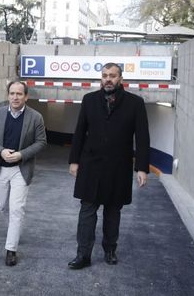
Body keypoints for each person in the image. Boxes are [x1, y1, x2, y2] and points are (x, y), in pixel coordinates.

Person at [67, 62, 150, 269]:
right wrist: (74, 161)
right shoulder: (89, 100)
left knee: (113, 211)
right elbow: (79, 133)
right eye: (105, 75)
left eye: (112, 76)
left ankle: (110, 249)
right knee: (87, 210)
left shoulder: (135, 103)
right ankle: (83, 254)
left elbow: (142, 137)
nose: (108, 79)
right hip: (91, 165)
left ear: (121, 79)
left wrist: (141, 167)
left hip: (118, 167)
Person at [0, 80, 47, 266]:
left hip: (21, 169)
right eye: (12, 93)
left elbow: (41, 141)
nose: (15, 97)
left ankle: (11, 249)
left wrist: (21, 155)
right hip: (1, 168)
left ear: (26, 96)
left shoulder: (36, 117)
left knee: (17, 209)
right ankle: (15, 228)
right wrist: (0, 151)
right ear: (8, 95)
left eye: (19, 94)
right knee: (4, 206)